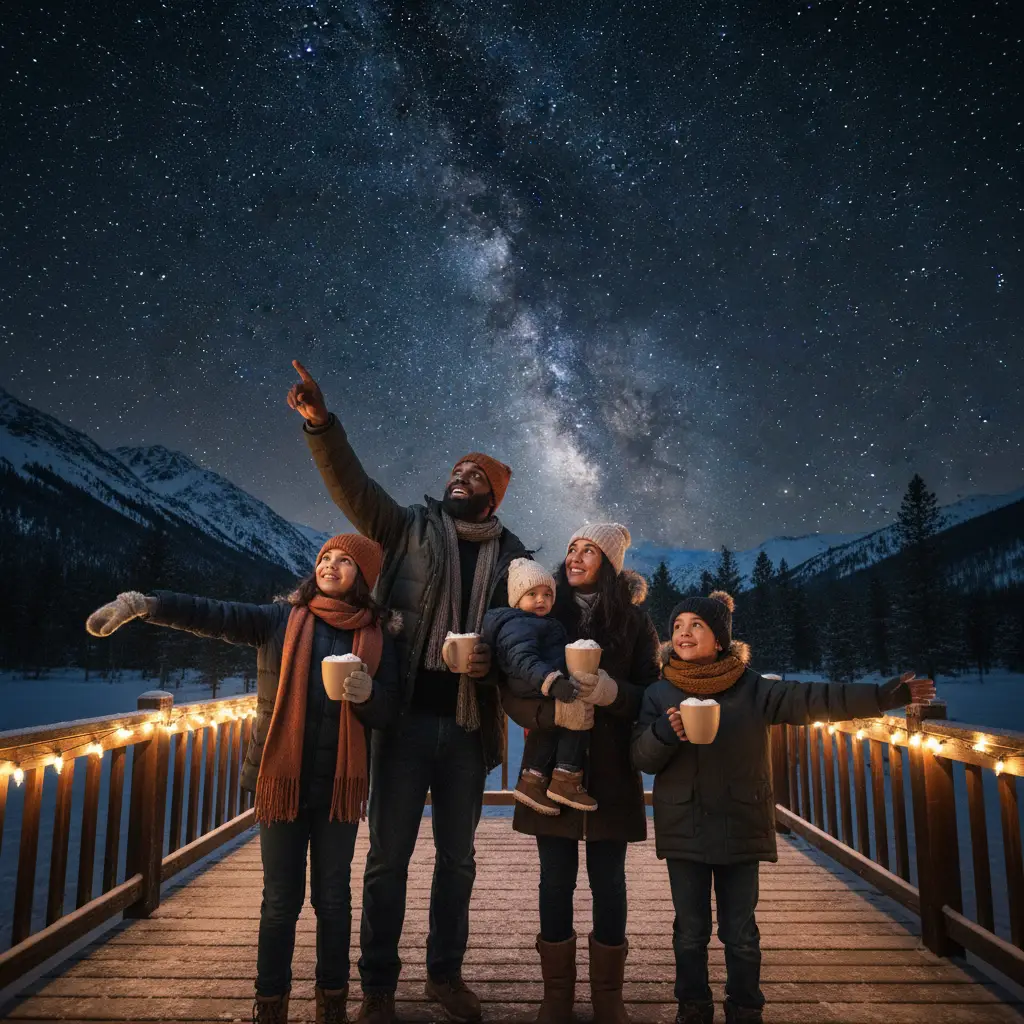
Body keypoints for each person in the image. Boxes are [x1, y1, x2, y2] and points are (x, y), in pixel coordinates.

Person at [287, 360, 527, 1024]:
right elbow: (354, 490)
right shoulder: (410, 529)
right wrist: (321, 425)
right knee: (387, 858)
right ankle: (379, 987)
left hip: (469, 726)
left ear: (494, 494)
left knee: (458, 860)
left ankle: (445, 977)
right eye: (457, 470)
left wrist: (494, 662)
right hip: (402, 723)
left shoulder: (514, 557)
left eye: (475, 475)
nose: (460, 477)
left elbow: (531, 630)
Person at [85, 534, 401, 1024]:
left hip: (339, 789)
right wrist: (146, 605)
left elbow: (391, 710)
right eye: (324, 558)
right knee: (280, 899)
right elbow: (215, 614)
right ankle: (269, 1004)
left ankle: (332, 1005)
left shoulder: (379, 636)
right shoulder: (280, 620)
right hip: (279, 781)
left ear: (364, 577)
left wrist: (368, 695)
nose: (330, 566)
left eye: (344, 561)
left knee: (333, 899)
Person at [631, 590, 937, 1024]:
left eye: (696, 625)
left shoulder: (754, 688)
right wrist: (664, 730)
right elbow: (641, 758)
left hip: (742, 821)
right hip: (686, 826)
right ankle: (693, 1008)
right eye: (678, 626)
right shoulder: (659, 693)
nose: (683, 633)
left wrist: (883, 696)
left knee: (740, 934)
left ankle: (746, 1010)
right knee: (690, 932)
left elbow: (816, 698)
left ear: (719, 639)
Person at [500, 524, 660, 1024]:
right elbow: (515, 692)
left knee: (609, 881)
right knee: (555, 880)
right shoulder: (545, 611)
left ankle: (609, 998)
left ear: (609, 565)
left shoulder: (634, 622)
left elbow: (652, 697)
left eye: (588, 550)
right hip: (549, 775)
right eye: (571, 548)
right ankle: (558, 998)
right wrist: (553, 715)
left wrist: (615, 695)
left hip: (611, 772)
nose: (574, 556)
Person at [483, 557, 596, 815]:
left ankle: (532, 780)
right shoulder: (519, 625)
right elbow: (523, 660)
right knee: (576, 714)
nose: (540, 600)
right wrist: (552, 681)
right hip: (531, 682)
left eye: (547, 594)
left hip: (538, 683)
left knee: (550, 726)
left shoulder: (537, 622)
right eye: (531, 593)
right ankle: (566, 776)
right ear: (516, 599)